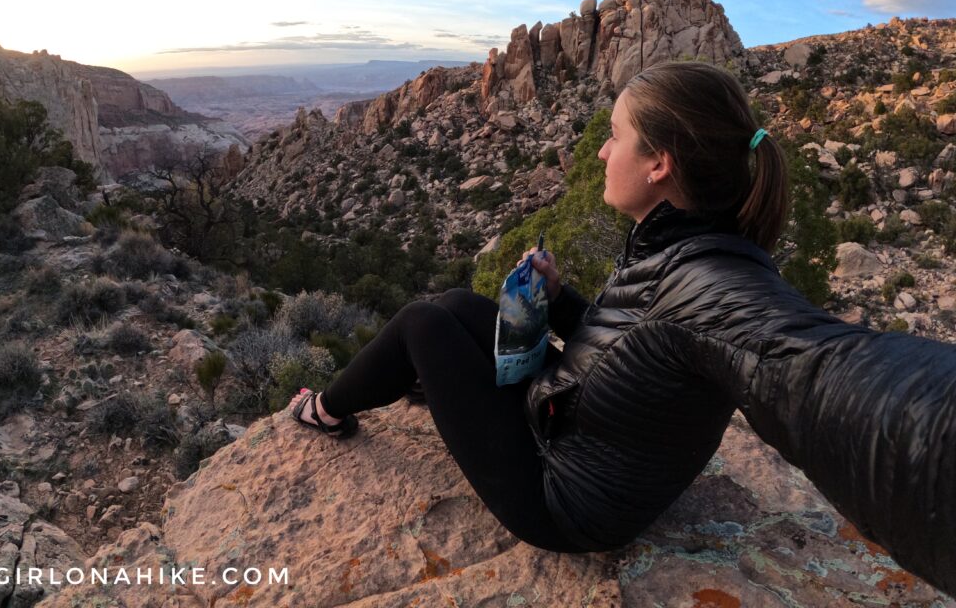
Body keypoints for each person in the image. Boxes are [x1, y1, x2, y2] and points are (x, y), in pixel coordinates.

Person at [289, 61, 956, 594]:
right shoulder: (683, 243)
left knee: (422, 325)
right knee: (461, 304)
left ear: (660, 163)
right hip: (580, 433)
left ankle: (323, 409)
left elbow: (824, 371)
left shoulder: (718, 286)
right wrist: (561, 299)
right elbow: (636, 340)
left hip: (566, 502)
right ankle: (419, 387)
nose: (603, 149)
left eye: (616, 134)